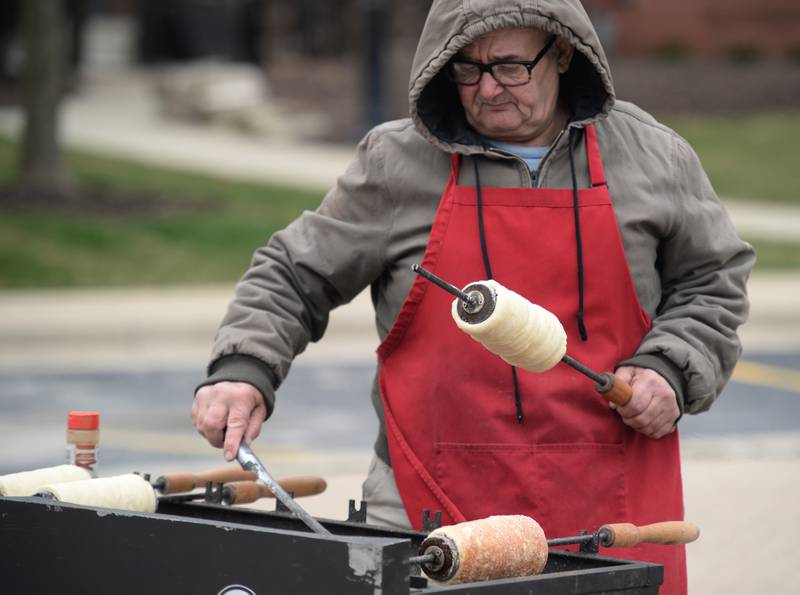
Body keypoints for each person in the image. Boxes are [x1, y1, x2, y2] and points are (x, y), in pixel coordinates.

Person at [192, 1, 754, 593]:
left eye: (511, 66)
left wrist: (669, 367)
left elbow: (712, 279)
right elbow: (292, 273)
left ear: (563, 53)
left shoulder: (651, 156)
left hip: (611, 504)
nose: (488, 89)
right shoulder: (397, 163)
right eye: (467, 68)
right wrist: (242, 367)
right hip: (428, 501)